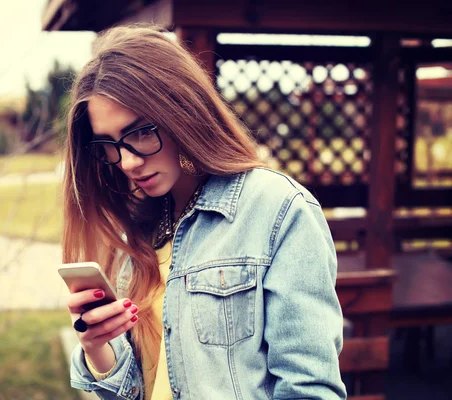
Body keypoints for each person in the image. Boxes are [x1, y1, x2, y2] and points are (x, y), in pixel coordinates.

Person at [62, 25, 347, 400]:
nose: (127, 161)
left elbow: (309, 390)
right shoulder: (137, 228)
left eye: (142, 132)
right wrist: (97, 347)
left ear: (182, 111)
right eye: (110, 144)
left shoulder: (277, 210)